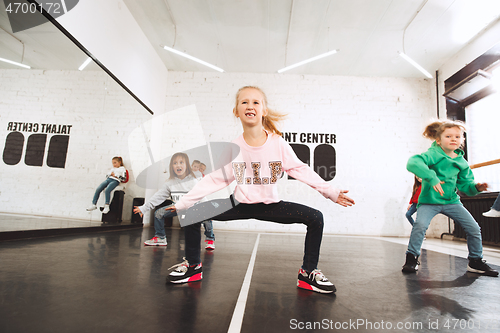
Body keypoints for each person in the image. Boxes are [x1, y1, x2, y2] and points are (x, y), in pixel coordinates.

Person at [164, 86, 355, 293]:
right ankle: (193, 267)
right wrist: (183, 203)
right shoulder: (233, 148)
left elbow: (300, 169)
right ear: (236, 111)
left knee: (316, 218)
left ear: (264, 110)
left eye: (256, 102)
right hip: (238, 204)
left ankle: (308, 274)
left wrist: (331, 191)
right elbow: (215, 179)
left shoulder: (278, 143)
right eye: (244, 102)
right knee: (192, 214)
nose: (250, 106)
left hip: (270, 206)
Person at [402, 120, 498, 276]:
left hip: (452, 202)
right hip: (428, 202)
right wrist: (431, 177)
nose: (454, 139)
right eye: (448, 136)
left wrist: (477, 188)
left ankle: (475, 261)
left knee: (474, 228)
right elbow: (413, 162)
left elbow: (466, 186)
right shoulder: (433, 154)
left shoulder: (461, 162)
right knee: (419, 226)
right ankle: (411, 258)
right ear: (438, 140)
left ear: (462, 140)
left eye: (458, 136)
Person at [133, 153, 215, 249]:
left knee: (207, 216)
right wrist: (144, 208)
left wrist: (209, 209)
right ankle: (160, 237)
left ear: (187, 166)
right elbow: (158, 197)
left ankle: (210, 239)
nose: (178, 165)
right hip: (177, 206)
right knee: (158, 213)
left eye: (181, 162)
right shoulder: (170, 182)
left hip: (194, 206)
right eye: (175, 163)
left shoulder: (193, 181)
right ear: (172, 166)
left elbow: (201, 196)